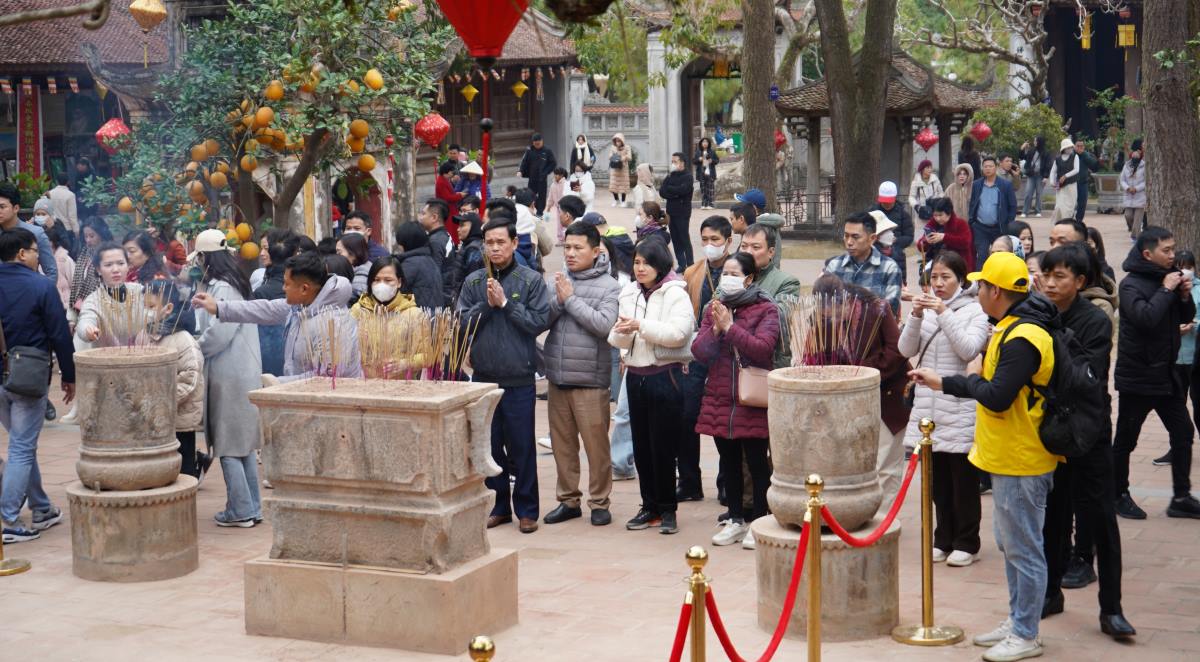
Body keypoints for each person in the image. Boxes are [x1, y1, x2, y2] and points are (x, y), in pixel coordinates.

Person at [909, 251, 1061, 662]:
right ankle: (1017, 620)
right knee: (1012, 545)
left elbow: (996, 395)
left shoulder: (1024, 336)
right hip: (1005, 453)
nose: (976, 292)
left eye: (981, 286)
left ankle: (1026, 632)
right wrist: (947, 382)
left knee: (1024, 549)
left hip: (1022, 457)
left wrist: (952, 383)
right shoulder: (1009, 326)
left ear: (996, 291)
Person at [1037, 243, 1137, 639]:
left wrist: (1053, 335)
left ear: (1079, 281)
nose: (1049, 283)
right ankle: (1050, 593)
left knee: (1100, 519)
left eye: (1059, 276)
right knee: (1053, 515)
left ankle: (1111, 609)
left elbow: (1086, 377)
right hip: (1049, 429)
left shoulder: (1094, 320)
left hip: (1088, 430)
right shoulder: (1036, 313)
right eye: (1046, 275)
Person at [458, 219, 551, 534]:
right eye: (490, 243)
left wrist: (506, 304)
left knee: (522, 447)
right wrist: (487, 305)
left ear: (513, 243)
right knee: (490, 447)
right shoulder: (474, 281)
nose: (495, 248)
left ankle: (527, 510)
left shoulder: (530, 280)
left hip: (519, 377)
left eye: (501, 242)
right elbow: (462, 323)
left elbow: (538, 322)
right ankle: (498, 507)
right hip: (484, 378)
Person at [899, 251, 989, 566]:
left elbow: (968, 350)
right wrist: (916, 316)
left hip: (960, 405)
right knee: (937, 483)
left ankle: (967, 542)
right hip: (928, 407)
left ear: (961, 280)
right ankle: (943, 538)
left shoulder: (975, 311)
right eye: (934, 277)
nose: (938, 283)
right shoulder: (926, 310)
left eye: (945, 277)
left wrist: (943, 312)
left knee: (963, 481)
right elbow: (905, 349)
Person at [1111, 227, 1200, 520]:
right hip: (1138, 377)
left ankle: (1181, 497)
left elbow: (1186, 317)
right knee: (1126, 439)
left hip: (1166, 375)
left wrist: (1184, 296)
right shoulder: (1130, 285)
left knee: (1183, 431)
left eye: (1173, 248)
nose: (1173, 255)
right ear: (1148, 254)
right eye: (1166, 250)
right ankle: (1118, 494)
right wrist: (1166, 290)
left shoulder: (1169, 278)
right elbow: (1146, 319)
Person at [693, 251, 780, 547]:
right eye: (724, 274)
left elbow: (763, 349)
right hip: (720, 397)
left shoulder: (766, 308)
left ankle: (759, 521)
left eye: (734, 274)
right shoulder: (714, 308)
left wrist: (731, 328)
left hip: (751, 398)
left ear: (749, 278)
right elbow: (699, 352)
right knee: (728, 462)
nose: (727, 279)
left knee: (756, 463)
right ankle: (735, 520)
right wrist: (717, 329)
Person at [609, 239, 694, 535]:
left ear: (660, 264)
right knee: (641, 445)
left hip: (665, 375)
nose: (640, 268)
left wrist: (639, 326)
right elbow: (619, 338)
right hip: (635, 375)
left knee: (663, 446)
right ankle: (649, 506)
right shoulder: (629, 292)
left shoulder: (675, 293)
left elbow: (679, 334)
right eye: (636, 262)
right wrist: (622, 334)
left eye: (646, 262)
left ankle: (668, 509)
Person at [542, 222, 621, 527]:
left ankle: (600, 502)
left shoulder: (610, 286)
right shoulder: (559, 280)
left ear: (596, 250)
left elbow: (604, 326)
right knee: (562, 445)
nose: (571, 254)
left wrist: (571, 300)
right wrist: (559, 299)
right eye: (567, 247)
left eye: (578, 248)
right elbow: (542, 319)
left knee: (596, 446)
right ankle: (568, 500)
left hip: (590, 379)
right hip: (558, 375)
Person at [0, 228, 75, 544]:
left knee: (22, 443)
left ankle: (42, 508)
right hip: (27, 377)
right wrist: (69, 375)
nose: (37, 257)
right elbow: (59, 334)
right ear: (21, 254)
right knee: (21, 446)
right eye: (34, 251)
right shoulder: (41, 286)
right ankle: (8, 520)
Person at [186, 230, 262, 527]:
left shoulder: (223, 287)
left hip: (229, 374)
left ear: (206, 258)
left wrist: (195, 348)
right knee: (242, 443)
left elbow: (219, 332)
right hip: (239, 371)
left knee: (228, 443)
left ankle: (240, 510)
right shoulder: (233, 282)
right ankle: (252, 506)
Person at [141, 280, 206, 480]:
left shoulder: (183, 339)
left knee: (183, 471)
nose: (146, 311)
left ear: (168, 308)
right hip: (155, 416)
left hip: (180, 417)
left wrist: (163, 400)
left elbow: (190, 377)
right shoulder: (145, 335)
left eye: (151, 306)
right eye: (144, 306)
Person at [350, 255, 428, 379]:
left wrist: (405, 363)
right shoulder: (358, 310)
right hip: (363, 384)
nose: (382, 284)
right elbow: (346, 349)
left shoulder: (414, 315)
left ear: (399, 282)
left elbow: (427, 355)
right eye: (376, 280)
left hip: (401, 386)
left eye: (388, 280)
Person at [824, 211, 903, 315]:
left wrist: (855, 314)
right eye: (846, 236)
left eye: (855, 237)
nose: (849, 242)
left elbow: (890, 310)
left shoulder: (889, 268)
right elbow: (823, 305)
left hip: (875, 325)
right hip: (837, 325)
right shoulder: (834, 266)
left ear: (872, 239)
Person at [253, 229, 295, 378]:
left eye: (266, 248)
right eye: (261, 248)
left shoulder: (266, 291)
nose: (262, 253)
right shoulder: (265, 281)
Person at [968, 156, 1019, 271]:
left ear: (995, 168)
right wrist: (972, 221)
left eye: (990, 166)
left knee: (1000, 255)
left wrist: (1008, 223)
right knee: (981, 255)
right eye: (985, 166)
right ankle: (980, 279)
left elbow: (1012, 206)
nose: (988, 169)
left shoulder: (1005, 185)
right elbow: (973, 203)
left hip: (999, 227)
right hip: (980, 227)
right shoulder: (976, 184)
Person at [0, 183, 55, 280]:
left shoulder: (35, 233)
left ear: (16, 208)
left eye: (2, 207)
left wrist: (44, 289)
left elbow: (51, 271)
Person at [393, 221, 447, 309]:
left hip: (418, 315)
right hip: (432, 314)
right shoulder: (428, 259)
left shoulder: (411, 264)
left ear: (405, 243)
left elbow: (395, 293)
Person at [870, 182, 914, 284]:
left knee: (896, 284)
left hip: (897, 256)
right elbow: (865, 232)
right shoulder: (872, 212)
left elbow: (909, 236)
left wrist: (897, 241)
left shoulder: (903, 214)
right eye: (884, 201)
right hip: (875, 253)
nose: (886, 204)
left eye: (889, 201)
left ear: (895, 198)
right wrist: (875, 239)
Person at [659, 152, 696, 270]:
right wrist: (674, 193)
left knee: (684, 238)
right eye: (672, 162)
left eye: (675, 162)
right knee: (675, 238)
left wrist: (671, 190)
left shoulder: (688, 176)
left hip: (683, 212)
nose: (673, 164)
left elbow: (683, 190)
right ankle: (681, 264)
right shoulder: (670, 176)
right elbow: (662, 191)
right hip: (671, 212)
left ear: (682, 163)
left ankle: (690, 264)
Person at [918, 197, 974, 271]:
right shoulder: (932, 225)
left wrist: (944, 237)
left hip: (958, 265)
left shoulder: (961, 224)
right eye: (935, 215)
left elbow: (965, 242)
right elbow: (920, 245)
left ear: (949, 213)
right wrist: (926, 241)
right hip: (936, 264)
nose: (937, 218)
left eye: (940, 215)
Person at [419, 198, 457, 302]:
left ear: (434, 217)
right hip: (447, 294)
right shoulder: (444, 235)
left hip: (440, 298)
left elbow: (434, 274)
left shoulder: (435, 241)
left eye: (423, 214)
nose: (420, 217)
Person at [518, 132, 557, 215]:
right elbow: (524, 162)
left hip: (542, 178)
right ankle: (534, 209)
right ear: (533, 143)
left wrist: (546, 172)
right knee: (530, 195)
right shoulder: (529, 151)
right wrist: (520, 171)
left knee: (542, 196)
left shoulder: (547, 151)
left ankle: (540, 212)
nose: (537, 145)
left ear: (542, 141)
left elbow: (553, 163)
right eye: (535, 144)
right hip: (532, 177)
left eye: (539, 143)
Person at [452, 212, 485, 298]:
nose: (458, 229)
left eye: (462, 225)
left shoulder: (473, 249)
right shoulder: (467, 245)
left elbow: (473, 283)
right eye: (459, 226)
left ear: (474, 227)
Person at [1119, 139, 1146, 240]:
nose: (1135, 154)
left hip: (1140, 196)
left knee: (1137, 220)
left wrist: (1136, 188)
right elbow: (1122, 179)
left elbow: (1147, 181)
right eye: (1134, 153)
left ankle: (1135, 237)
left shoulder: (1144, 166)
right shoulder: (1126, 165)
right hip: (1129, 196)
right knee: (1128, 216)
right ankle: (1133, 229)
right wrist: (1127, 188)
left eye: (1138, 153)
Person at [1048, 138, 1080, 222]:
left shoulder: (1075, 157)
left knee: (1070, 207)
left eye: (1071, 147)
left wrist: (1065, 176)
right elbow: (1053, 171)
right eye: (1068, 147)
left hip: (1071, 185)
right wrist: (1052, 182)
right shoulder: (1058, 159)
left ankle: (1068, 222)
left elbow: (1076, 170)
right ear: (1064, 149)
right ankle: (1058, 222)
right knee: (1059, 206)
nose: (1070, 149)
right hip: (1060, 186)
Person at [1020, 136, 1052, 218]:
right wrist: (1022, 148)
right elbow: (1022, 157)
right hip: (1031, 174)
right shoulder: (1031, 151)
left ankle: (1038, 211)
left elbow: (1048, 165)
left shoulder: (1046, 152)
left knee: (1039, 193)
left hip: (1040, 175)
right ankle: (1025, 211)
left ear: (1039, 142)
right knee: (1028, 193)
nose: (1034, 142)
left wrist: (1046, 177)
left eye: (1035, 141)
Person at [1073, 140, 1100, 223]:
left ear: (1084, 147)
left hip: (1083, 183)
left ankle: (1079, 220)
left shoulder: (1086, 155)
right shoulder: (1071, 155)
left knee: (1082, 203)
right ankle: (1069, 219)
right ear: (1074, 146)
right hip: (1072, 183)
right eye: (1078, 146)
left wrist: (1099, 161)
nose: (1080, 148)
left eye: (1081, 146)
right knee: (1071, 203)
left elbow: (1094, 167)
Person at [47, 172, 79, 240]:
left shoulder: (49, 193)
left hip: (53, 228)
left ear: (57, 181)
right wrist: (76, 230)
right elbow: (72, 216)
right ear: (68, 182)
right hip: (67, 229)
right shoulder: (70, 195)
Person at [435, 161, 466, 228]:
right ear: (448, 172)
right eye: (452, 172)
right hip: (448, 209)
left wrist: (456, 194)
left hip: (449, 208)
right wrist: (460, 196)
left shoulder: (443, 179)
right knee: (451, 227)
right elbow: (447, 198)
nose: (452, 174)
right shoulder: (441, 182)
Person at [607, 133, 632, 207]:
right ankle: (616, 200)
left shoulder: (627, 147)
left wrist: (623, 157)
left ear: (622, 141)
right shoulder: (613, 147)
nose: (617, 142)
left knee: (624, 186)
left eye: (619, 141)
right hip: (614, 169)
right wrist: (614, 156)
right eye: (616, 141)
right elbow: (609, 156)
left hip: (623, 169)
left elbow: (630, 157)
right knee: (613, 185)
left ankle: (623, 201)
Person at [694, 137, 719, 210]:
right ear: (701, 143)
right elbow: (694, 161)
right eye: (703, 142)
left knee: (710, 189)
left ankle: (710, 204)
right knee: (703, 189)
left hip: (710, 172)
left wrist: (712, 161)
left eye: (706, 142)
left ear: (708, 143)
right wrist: (699, 159)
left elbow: (717, 160)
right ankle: (704, 204)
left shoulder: (712, 151)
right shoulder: (698, 152)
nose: (705, 143)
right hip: (701, 172)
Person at [546, 167, 569, 241]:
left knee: (566, 222)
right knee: (559, 223)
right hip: (558, 208)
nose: (555, 175)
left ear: (562, 175)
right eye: (555, 174)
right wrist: (549, 206)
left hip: (566, 208)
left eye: (557, 174)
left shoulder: (566, 184)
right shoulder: (553, 185)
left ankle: (567, 237)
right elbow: (551, 197)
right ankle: (560, 238)